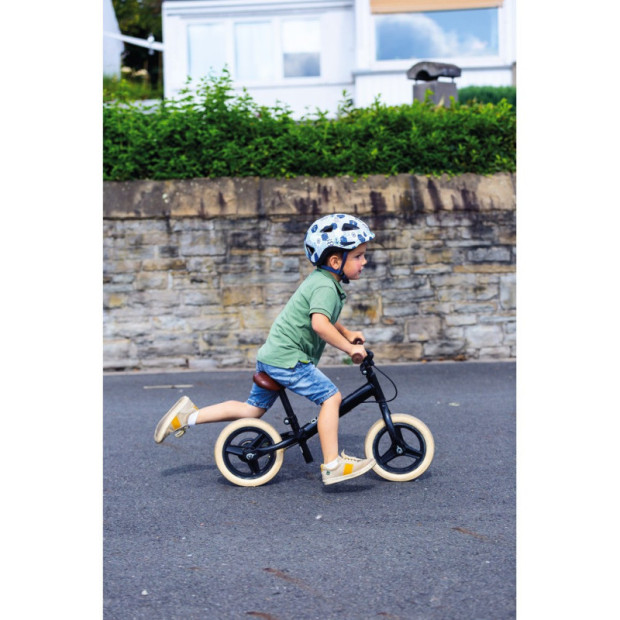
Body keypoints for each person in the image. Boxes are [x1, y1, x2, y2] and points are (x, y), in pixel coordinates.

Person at [154, 213, 376, 485]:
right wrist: (348, 348)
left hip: (272, 356)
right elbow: (319, 324)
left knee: (251, 412)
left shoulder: (322, 281)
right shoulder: (326, 287)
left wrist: (347, 332)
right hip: (288, 360)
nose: (364, 261)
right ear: (335, 261)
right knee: (332, 398)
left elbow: (323, 316)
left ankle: (187, 418)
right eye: (359, 256)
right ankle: (332, 465)